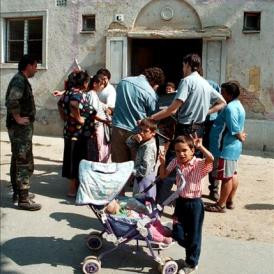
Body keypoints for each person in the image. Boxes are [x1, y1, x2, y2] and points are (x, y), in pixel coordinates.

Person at [159, 134, 214, 274]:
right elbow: (164, 175)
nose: (181, 154)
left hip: (195, 204)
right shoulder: (176, 162)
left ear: (192, 150)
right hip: (180, 202)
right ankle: (190, 253)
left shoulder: (198, 164)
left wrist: (201, 146)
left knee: (194, 235)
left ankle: (191, 263)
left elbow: (211, 159)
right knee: (178, 234)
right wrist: (162, 162)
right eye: (177, 151)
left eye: (184, 150)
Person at [5, 54, 41, 210]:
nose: (36, 69)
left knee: (18, 159)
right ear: (28, 66)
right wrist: (18, 118)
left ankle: (18, 192)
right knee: (23, 161)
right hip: (19, 129)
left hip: (21, 129)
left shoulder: (21, 80)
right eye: (35, 66)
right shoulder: (19, 80)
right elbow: (12, 101)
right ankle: (23, 199)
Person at [205, 81, 246, 213]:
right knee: (232, 174)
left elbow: (234, 128)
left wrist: (240, 135)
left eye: (222, 92)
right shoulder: (237, 105)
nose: (221, 94)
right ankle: (229, 200)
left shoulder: (230, 108)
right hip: (231, 148)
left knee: (226, 177)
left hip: (226, 148)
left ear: (228, 94)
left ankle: (220, 205)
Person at [111, 67, 164, 163]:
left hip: (117, 129)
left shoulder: (123, 82)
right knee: (135, 167)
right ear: (154, 82)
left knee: (118, 166)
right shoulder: (151, 94)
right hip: (137, 132)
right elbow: (153, 119)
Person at [106, 198, 172, 244]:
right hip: (139, 224)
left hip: (140, 218)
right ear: (115, 209)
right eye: (116, 203)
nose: (117, 201)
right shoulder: (118, 215)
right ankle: (163, 239)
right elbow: (128, 218)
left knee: (154, 220)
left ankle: (163, 230)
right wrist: (130, 214)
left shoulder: (120, 208)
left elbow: (124, 205)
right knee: (151, 229)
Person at [126, 119, 158, 200]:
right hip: (140, 176)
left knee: (143, 202)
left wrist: (131, 171)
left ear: (153, 133)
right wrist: (133, 138)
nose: (141, 133)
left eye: (145, 131)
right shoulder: (143, 140)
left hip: (144, 179)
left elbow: (145, 169)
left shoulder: (149, 147)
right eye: (140, 130)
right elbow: (128, 143)